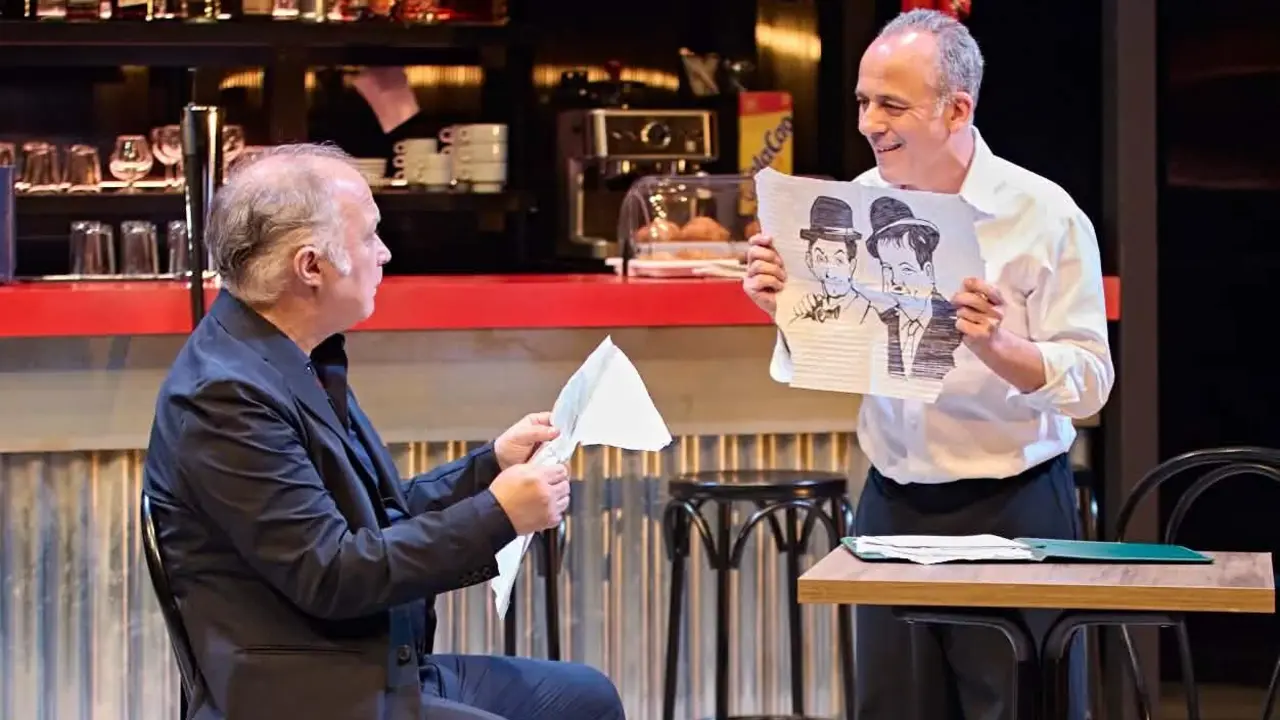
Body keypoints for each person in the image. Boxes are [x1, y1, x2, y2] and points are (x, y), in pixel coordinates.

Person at [142, 143, 625, 720]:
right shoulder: (224, 396)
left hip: (375, 663)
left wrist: (490, 468)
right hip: (304, 692)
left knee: (586, 698)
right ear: (310, 266)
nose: (385, 252)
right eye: (369, 235)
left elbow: (378, 514)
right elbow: (333, 573)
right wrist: (498, 515)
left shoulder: (296, 356)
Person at [742, 9, 1112, 720]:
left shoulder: (1044, 214)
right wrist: (783, 306)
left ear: (957, 109)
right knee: (893, 707)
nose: (868, 122)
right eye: (862, 101)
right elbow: (838, 348)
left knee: (1018, 707)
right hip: (892, 497)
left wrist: (998, 347)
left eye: (891, 104)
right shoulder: (860, 201)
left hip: (1014, 502)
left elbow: (1091, 383)